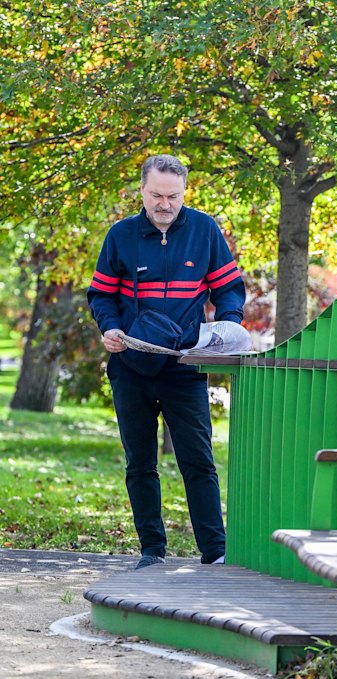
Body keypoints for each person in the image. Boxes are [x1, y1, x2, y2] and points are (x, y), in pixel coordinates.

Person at [87, 154, 246, 569]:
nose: (165, 204)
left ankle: (215, 552)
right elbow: (101, 294)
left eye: (173, 196)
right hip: (130, 366)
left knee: (199, 461)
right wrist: (109, 328)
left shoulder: (205, 230)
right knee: (140, 463)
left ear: (184, 193)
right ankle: (151, 552)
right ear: (142, 190)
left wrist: (227, 328)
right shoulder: (121, 235)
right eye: (156, 195)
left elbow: (229, 288)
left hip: (185, 368)